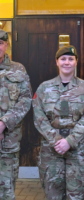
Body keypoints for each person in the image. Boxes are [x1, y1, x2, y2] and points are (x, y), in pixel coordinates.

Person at [32, 45, 84, 200]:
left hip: (79, 151)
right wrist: (56, 140)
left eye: (70, 59)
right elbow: (39, 117)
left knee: (77, 196)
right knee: (53, 195)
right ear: (57, 62)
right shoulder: (43, 88)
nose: (66, 62)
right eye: (63, 59)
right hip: (51, 150)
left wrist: (69, 141)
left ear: (76, 62)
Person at [0, 29, 32, 199]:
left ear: (6, 45)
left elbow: (26, 100)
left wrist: (3, 123)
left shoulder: (18, 70)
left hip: (9, 141)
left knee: (7, 188)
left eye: (0, 43)